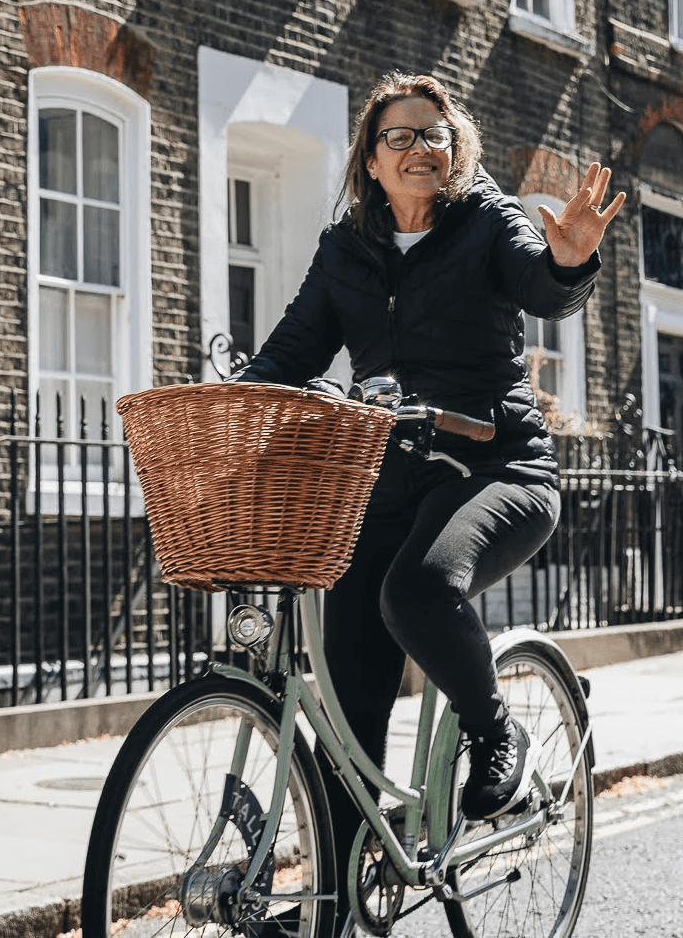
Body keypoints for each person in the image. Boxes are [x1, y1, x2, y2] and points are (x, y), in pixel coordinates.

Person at [237, 73, 625, 849]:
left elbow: (537, 281)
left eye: (433, 134)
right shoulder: (345, 249)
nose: (419, 148)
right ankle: (339, 897)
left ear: (456, 150)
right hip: (387, 477)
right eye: (398, 137)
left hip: (497, 467)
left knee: (415, 589)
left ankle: (493, 729)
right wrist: (228, 407)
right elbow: (290, 352)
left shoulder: (487, 220)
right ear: (371, 161)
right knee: (347, 693)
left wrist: (567, 263)